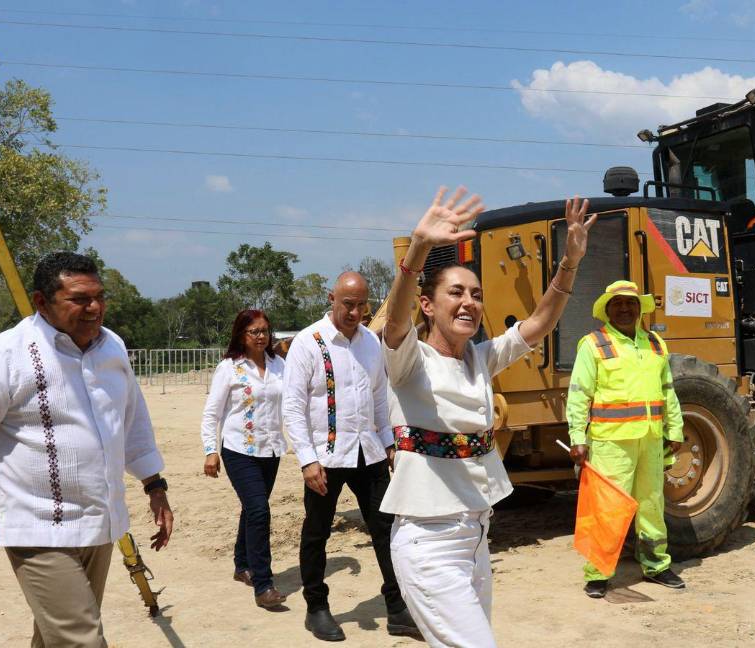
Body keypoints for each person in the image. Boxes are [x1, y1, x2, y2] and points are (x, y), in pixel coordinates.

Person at [380, 187, 596, 647]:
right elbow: (394, 324)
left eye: (476, 295)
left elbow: (537, 324)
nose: (469, 302)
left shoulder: (479, 359)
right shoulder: (409, 361)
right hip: (429, 541)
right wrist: (418, 251)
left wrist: (570, 263)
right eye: (455, 292)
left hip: (476, 536)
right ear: (428, 305)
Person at [0, 251, 173, 647]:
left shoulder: (112, 348)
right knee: (82, 640)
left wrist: (155, 487)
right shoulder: (2, 356)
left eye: (99, 297)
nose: (94, 308)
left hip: (100, 521)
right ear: (41, 302)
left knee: (54, 638)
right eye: (79, 299)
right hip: (38, 527)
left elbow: (133, 424)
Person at [282, 272, 418, 642]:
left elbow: (378, 396)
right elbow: (292, 407)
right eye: (348, 304)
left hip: (369, 452)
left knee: (387, 530)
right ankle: (317, 607)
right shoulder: (309, 342)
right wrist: (307, 461)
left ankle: (397, 608)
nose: (355, 312)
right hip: (326, 458)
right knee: (317, 533)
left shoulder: (371, 344)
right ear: (331, 298)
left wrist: (389, 442)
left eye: (361, 305)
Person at [566, 280, 686, 599]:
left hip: (650, 439)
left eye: (630, 303)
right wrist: (578, 436)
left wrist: (675, 429)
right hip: (610, 442)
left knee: (651, 505)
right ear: (607, 309)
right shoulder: (594, 344)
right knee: (607, 507)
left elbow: (668, 391)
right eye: (617, 303)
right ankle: (598, 573)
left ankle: (656, 565)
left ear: (639, 309)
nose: (624, 308)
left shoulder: (656, 343)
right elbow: (579, 395)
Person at [201, 309, 288, 609]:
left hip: (272, 450)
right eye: (255, 331)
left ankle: (241, 564)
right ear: (242, 334)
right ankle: (263, 585)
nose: (262, 336)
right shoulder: (229, 368)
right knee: (260, 511)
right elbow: (212, 413)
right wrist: (211, 451)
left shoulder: (280, 366)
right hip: (239, 450)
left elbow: (293, 402)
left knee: (252, 510)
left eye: (265, 330)